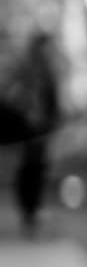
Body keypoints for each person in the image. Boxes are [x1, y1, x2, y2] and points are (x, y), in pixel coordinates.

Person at [6, 29, 64, 237]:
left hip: (38, 130)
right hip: (29, 128)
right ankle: (28, 213)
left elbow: (52, 102)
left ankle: (30, 213)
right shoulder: (29, 70)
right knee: (31, 169)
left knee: (35, 169)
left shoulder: (46, 71)